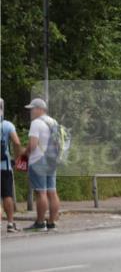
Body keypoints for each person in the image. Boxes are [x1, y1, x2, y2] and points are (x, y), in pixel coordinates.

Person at [24, 98, 60, 232]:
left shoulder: (36, 123)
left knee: (41, 193)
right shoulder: (53, 122)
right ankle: (51, 222)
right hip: (52, 160)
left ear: (40, 109)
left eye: (33, 108)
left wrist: (24, 153)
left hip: (38, 160)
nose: (31, 111)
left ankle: (40, 223)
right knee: (52, 191)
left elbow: (33, 145)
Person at [1, 98, 24, 233]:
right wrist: (16, 158)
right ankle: (10, 223)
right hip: (4, 166)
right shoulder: (7, 125)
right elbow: (16, 142)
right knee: (7, 195)